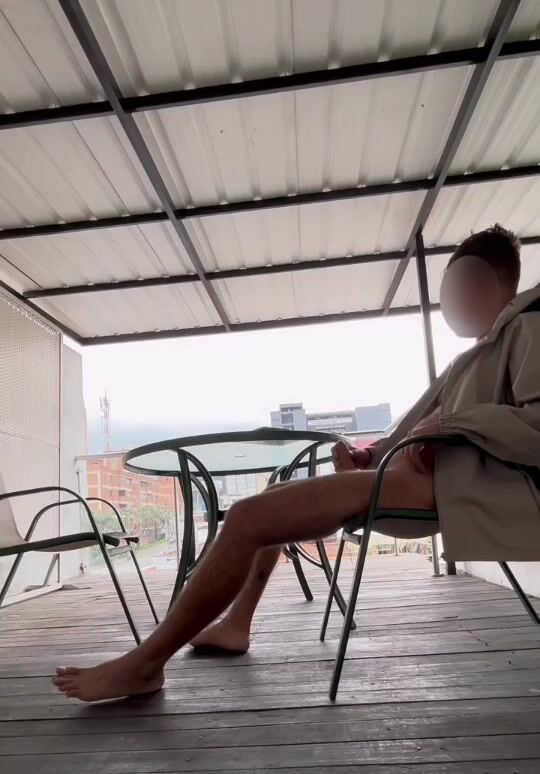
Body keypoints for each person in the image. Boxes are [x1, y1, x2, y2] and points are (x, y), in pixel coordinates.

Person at [54, 225, 540, 702]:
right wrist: (367, 455)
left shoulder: (529, 327)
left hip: (461, 488)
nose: (453, 301)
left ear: (500, 285)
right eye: (450, 289)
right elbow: (411, 430)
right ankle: (236, 624)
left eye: (466, 286)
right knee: (266, 500)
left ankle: (145, 665)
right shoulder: (473, 356)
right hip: (418, 477)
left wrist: (452, 423)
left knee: (246, 517)